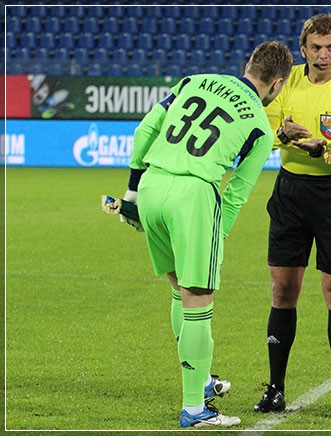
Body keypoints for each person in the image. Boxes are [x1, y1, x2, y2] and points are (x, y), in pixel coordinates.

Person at [121, 41, 294, 428]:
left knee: (178, 288)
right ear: (277, 83)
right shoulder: (260, 127)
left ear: (248, 65)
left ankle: (200, 380)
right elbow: (236, 193)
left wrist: (133, 189)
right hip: (193, 197)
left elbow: (146, 127)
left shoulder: (193, 81)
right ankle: (195, 409)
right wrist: (219, 233)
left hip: (152, 186)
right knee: (197, 297)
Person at [254, 13, 331, 413]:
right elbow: (267, 129)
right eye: (315, 48)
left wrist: (312, 141)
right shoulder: (287, 81)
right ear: (302, 50)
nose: (323, 55)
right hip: (290, 191)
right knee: (283, 290)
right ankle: (275, 388)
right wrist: (288, 136)